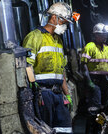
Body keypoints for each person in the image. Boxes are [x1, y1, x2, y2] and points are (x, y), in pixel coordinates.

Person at [23, 2, 79, 133]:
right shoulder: (35, 37)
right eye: (63, 22)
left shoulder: (58, 41)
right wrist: (33, 90)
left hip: (58, 94)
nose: (65, 26)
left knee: (65, 129)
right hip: (43, 95)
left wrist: (68, 94)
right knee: (46, 130)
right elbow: (27, 66)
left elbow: (61, 71)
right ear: (54, 17)